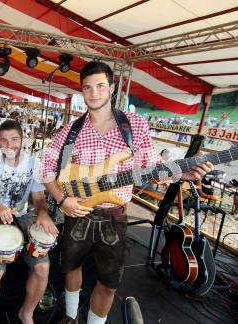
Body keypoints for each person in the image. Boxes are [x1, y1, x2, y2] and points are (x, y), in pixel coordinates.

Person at [41, 61, 214, 324]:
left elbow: (151, 166)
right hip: (78, 211)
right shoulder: (71, 130)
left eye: (100, 86)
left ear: (112, 88)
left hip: (114, 215)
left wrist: (182, 173)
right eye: (87, 88)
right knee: (70, 269)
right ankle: (70, 315)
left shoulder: (133, 124)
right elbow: (45, 166)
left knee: (109, 283)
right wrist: (62, 199)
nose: (94, 93)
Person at [0, 120, 58, 324]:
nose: (9, 145)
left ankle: (26, 313)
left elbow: (38, 200)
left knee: (43, 268)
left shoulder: (33, 164)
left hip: (23, 216)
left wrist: (43, 213)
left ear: (23, 140)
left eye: (14, 139)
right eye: (4, 141)